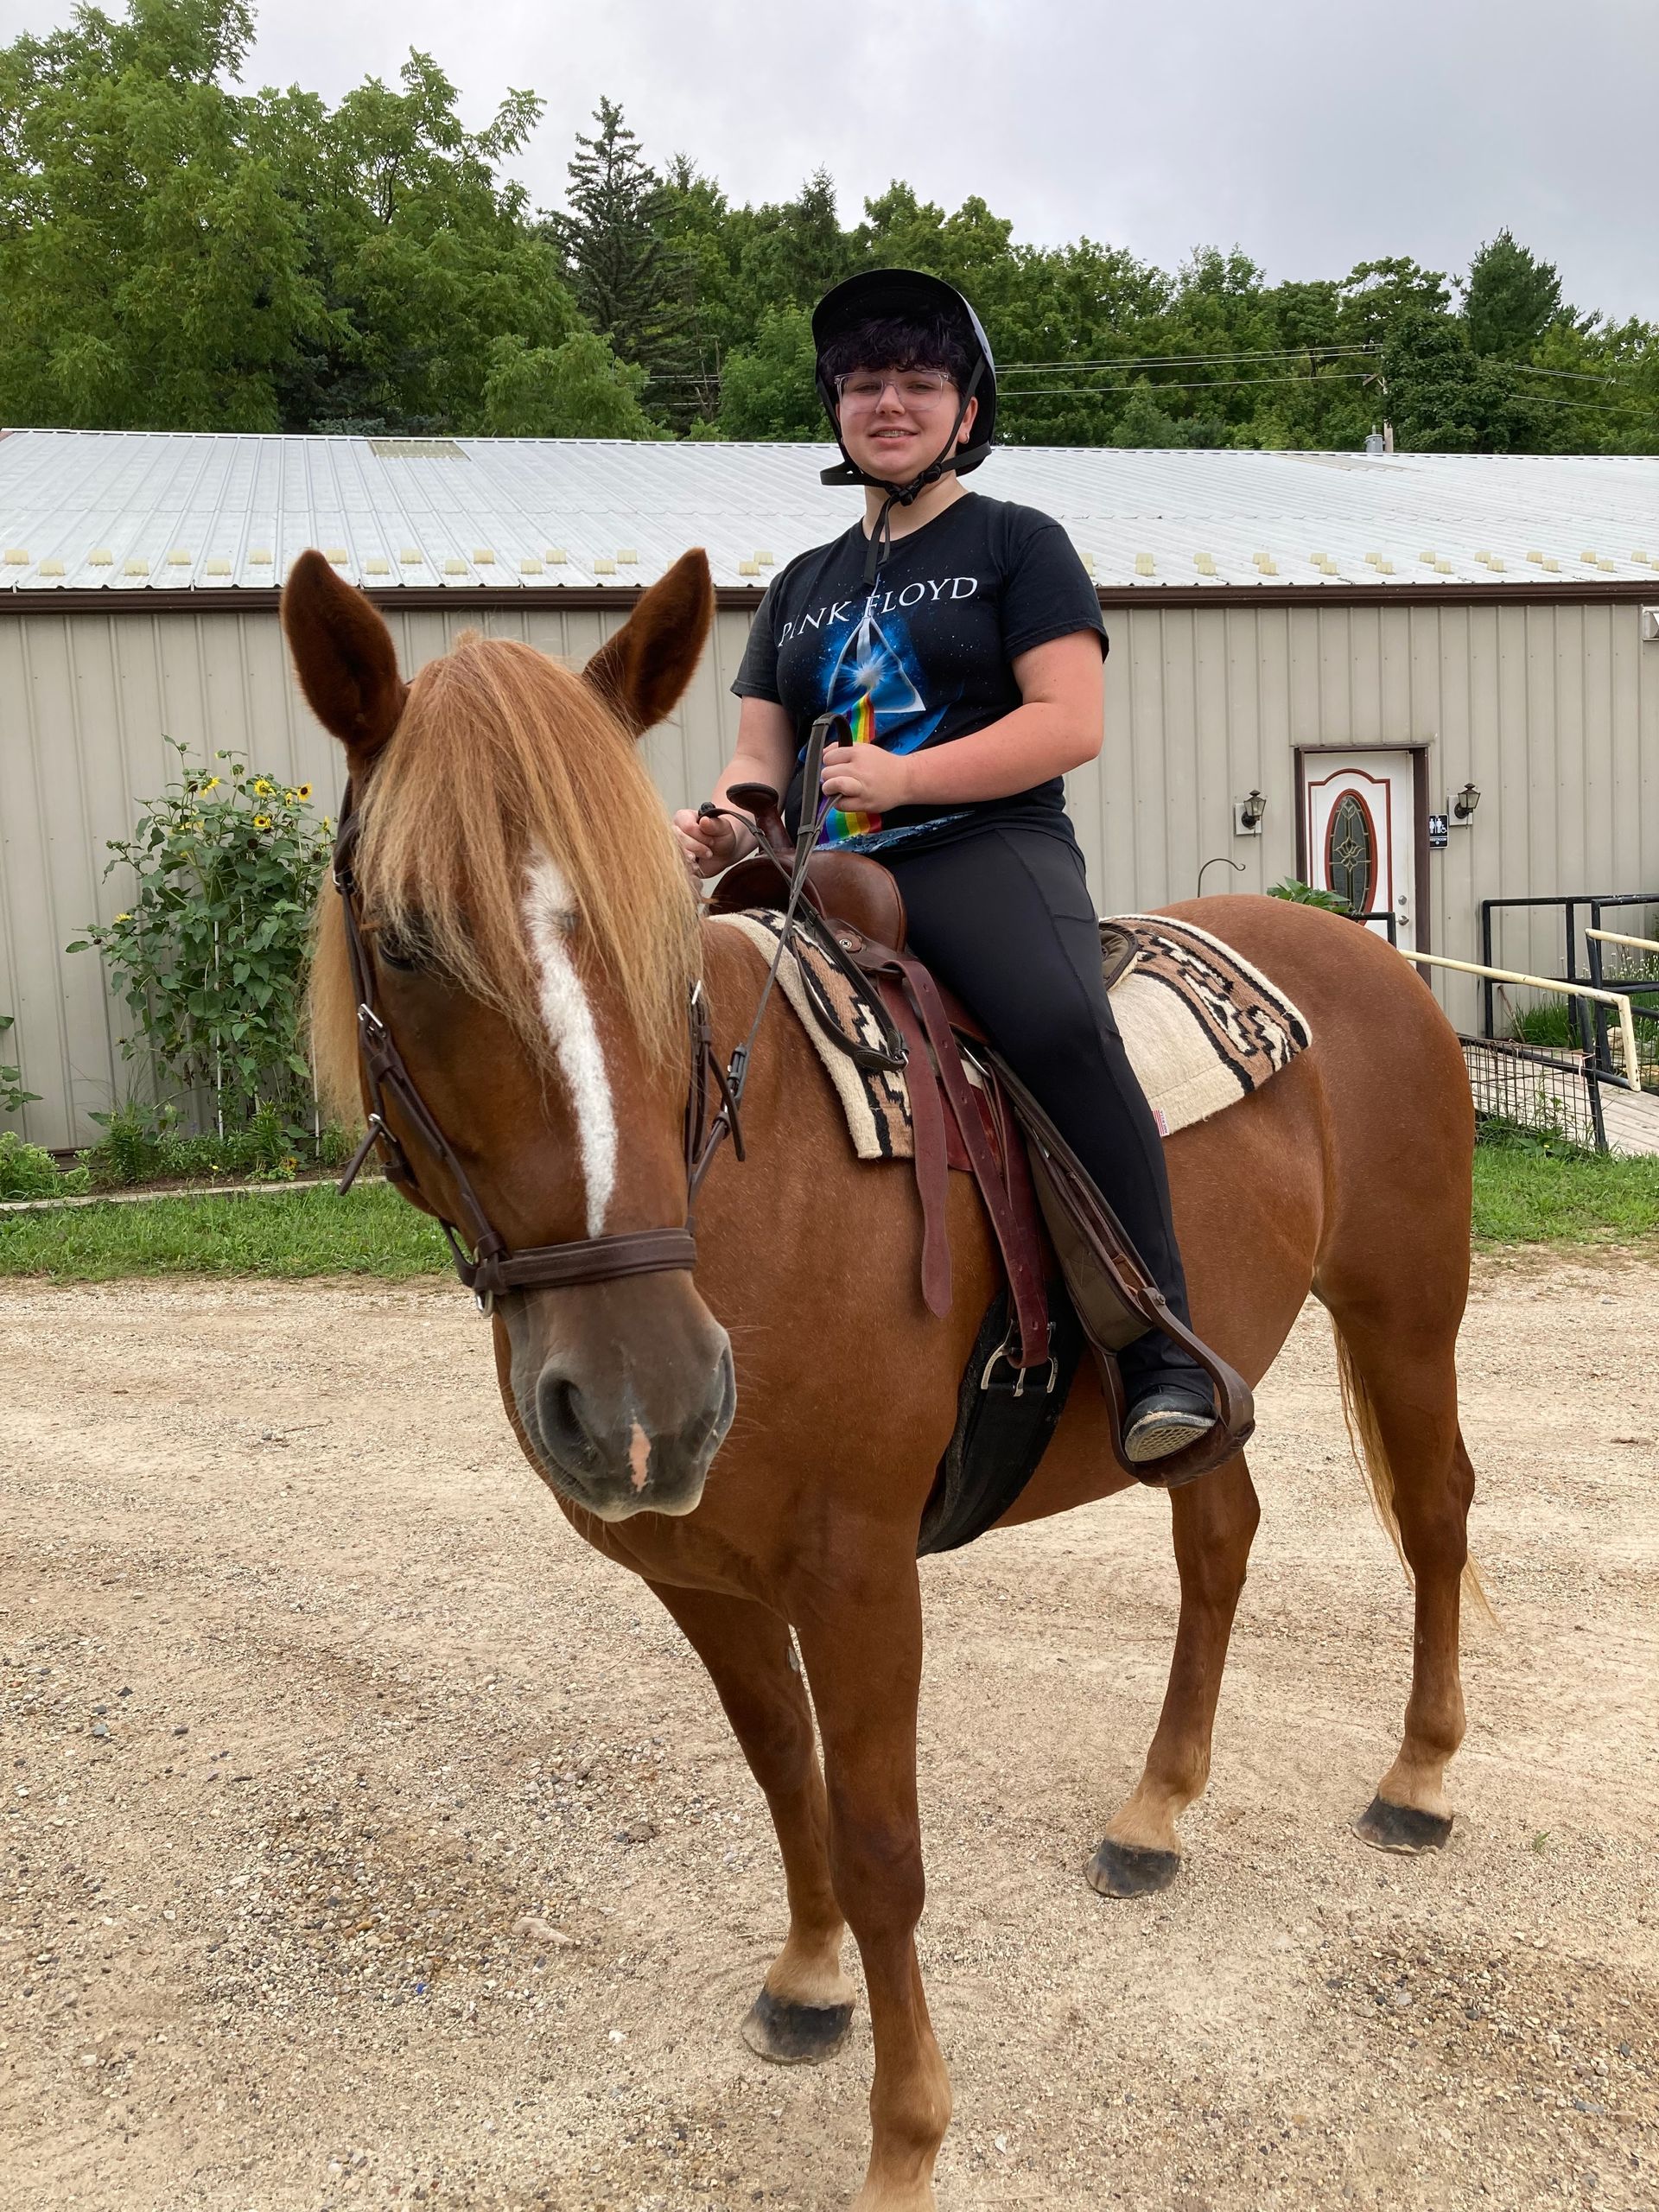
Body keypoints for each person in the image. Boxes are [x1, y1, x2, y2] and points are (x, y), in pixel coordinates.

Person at [673, 268, 1217, 1468]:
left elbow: (1069, 719)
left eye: (919, 382)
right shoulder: (799, 589)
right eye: (863, 384)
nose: (889, 404)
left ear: (967, 410)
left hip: (986, 846)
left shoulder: (1020, 544)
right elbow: (758, 761)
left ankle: (1160, 1345)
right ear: (835, 409)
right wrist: (719, 825)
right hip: (821, 871)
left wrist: (909, 780)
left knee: (1061, 1025)